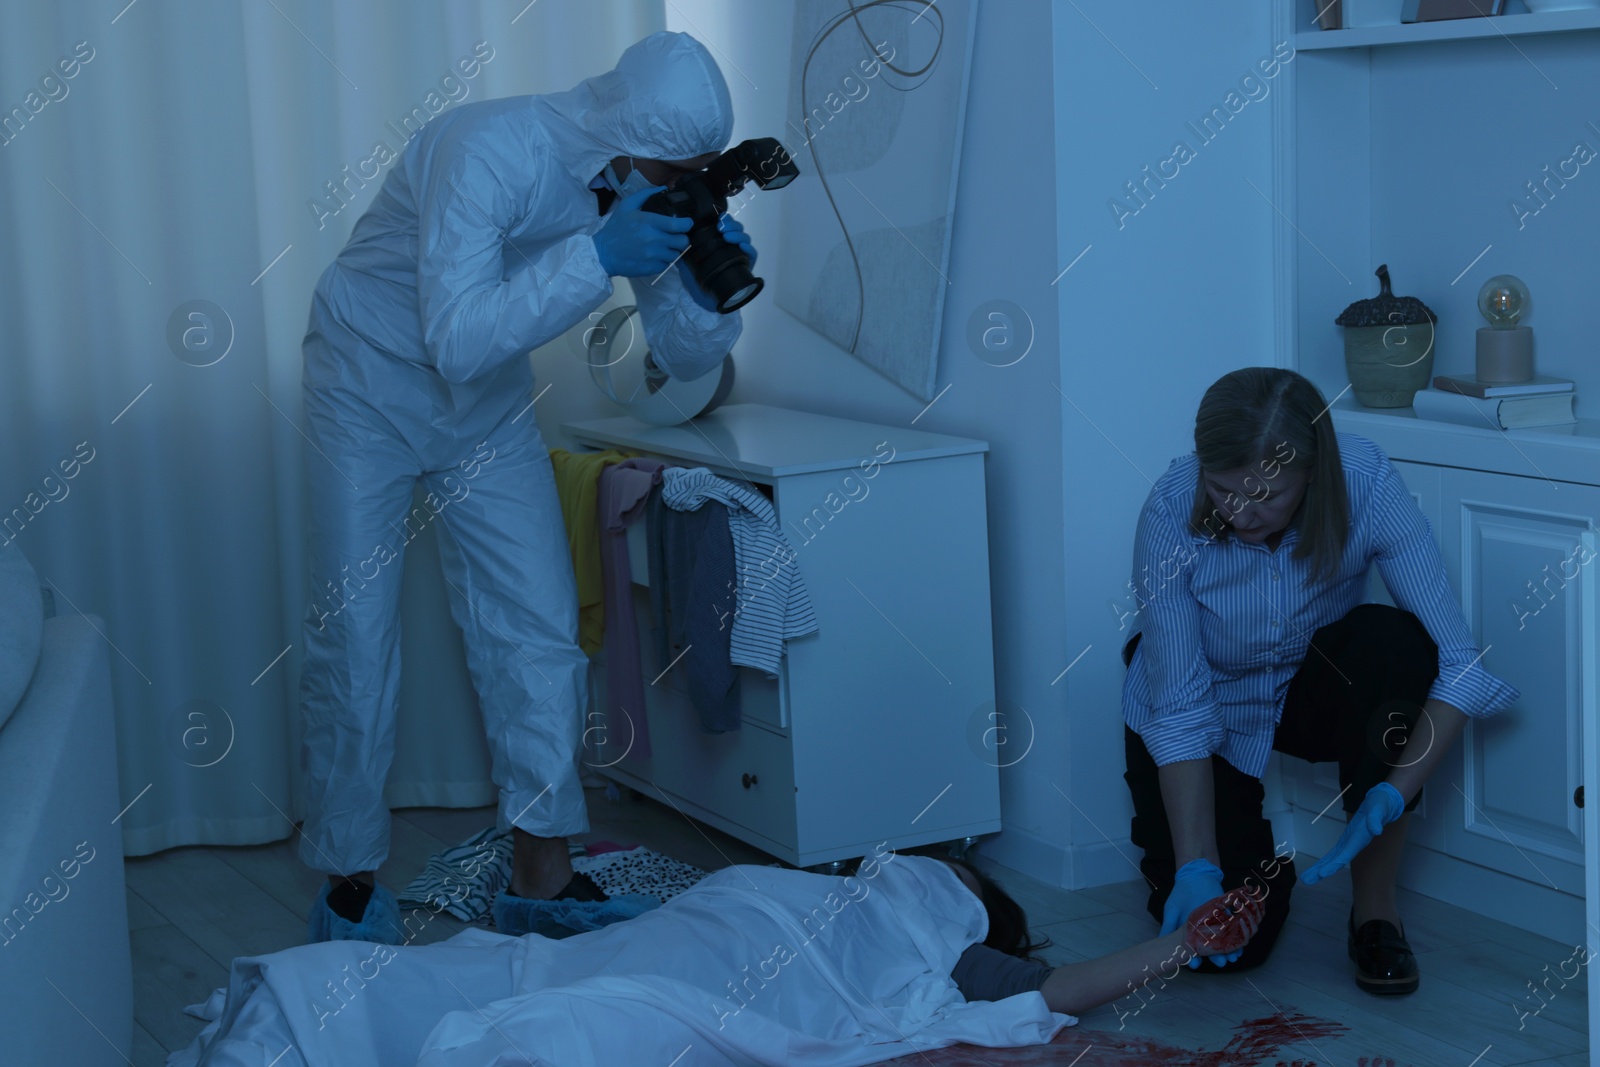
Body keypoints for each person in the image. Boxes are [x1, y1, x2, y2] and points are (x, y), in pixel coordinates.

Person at [296, 31, 756, 944]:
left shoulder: (641, 185)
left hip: (486, 407)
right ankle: (349, 881)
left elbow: (678, 352)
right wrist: (597, 256)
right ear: (626, 139)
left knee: (538, 627)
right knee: (356, 634)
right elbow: (456, 335)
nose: (679, 186)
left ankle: (542, 876)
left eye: (697, 173)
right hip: (367, 383)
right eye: (675, 169)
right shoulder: (483, 148)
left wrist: (706, 296)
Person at [1118, 367, 1518, 994]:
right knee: (1230, 948)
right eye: (1225, 492)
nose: (1242, 514)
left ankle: (1376, 911)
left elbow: (1459, 663)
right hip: (1205, 696)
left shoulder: (1364, 480)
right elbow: (1178, 706)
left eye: (1267, 497)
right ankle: (1206, 867)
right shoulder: (1171, 510)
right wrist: (1198, 867)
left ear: (1312, 472)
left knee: (1397, 642)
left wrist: (1394, 789)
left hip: (1308, 682)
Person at [172, 851, 1264, 1066]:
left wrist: (1175, 943)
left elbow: (1056, 990)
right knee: (518, 975)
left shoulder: (944, 937)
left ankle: (304, 1028)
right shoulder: (820, 878)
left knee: (584, 1007)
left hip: (719, 969)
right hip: (709, 927)